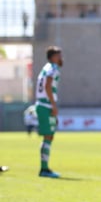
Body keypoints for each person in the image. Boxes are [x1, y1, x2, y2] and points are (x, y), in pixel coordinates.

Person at [35, 46, 63, 178]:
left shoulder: (46, 68)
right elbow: (47, 86)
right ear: (52, 56)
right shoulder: (53, 68)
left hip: (42, 104)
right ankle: (44, 169)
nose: (60, 58)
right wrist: (53, 105)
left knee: (49, 136)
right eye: (58, 55)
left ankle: (45, 168)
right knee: (48, 136)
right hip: (45, 105)